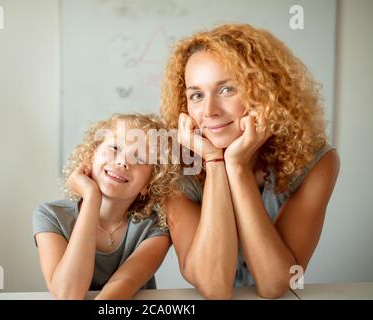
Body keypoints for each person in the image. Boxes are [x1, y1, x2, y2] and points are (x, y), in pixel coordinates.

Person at [160, 23, 340, 299]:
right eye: (196, 95)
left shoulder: (316, 161)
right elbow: (213, 285)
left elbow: (275, 284)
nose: (209, 111)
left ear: (263, 90)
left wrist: (237, 167)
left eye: (226, 90)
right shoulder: (171, 168)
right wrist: (215, 162)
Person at [33, 113, 180, 299]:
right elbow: (68, 293)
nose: (123, 162)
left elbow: (124, 283)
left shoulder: (155, 228)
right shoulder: (50, 216)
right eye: (115, 147)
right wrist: (92, 197)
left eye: (141, 159)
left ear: (148, 183)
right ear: (91, 155)